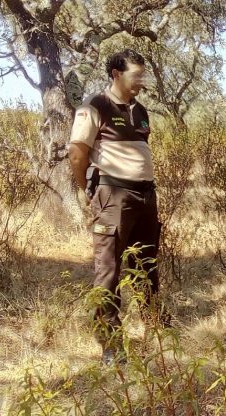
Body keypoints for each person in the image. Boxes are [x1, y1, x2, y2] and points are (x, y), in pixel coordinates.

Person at [68, 49, 162, 365]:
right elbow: (78, 154)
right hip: (112, 195)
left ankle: (157, 331)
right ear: (116, 74)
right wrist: (87, 190)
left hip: (145, 196)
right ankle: (111, 346)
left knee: (146, 263)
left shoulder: (141, 110)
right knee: (109, 268)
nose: (141, 81)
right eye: (136, 75)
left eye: (143, 75)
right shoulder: (95, 107)